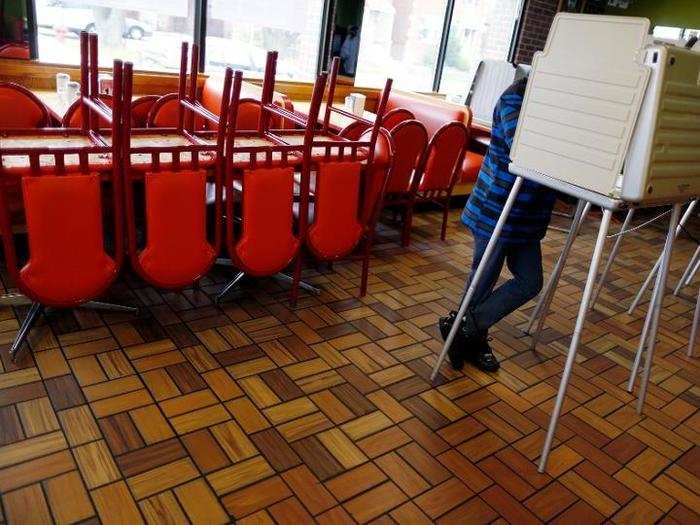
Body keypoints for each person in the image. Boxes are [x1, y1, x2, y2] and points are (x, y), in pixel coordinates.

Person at [440, 75, 557, 372]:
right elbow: (525, 149)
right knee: (482, 281)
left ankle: (464, 328)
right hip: (497, 208)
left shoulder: (557, 106)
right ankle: (472, 336)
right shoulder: (514, 98)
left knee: (530, 281)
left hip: (527, 216)